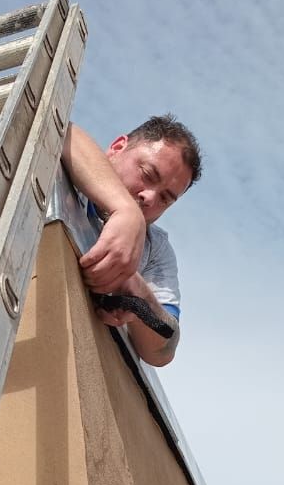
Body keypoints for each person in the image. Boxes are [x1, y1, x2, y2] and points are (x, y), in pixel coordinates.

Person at [60, 114, 202, 367]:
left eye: (166, 199)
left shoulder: (155, 249)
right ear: (116, 148)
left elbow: (162, 351)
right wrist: (126, 211)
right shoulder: (65, 169)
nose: (149, 197)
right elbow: (61, 130)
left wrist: (137, 293)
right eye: (148, 174)